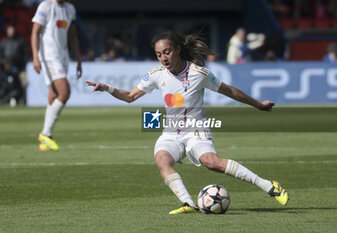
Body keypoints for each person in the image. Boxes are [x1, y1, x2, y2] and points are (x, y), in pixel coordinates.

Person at [87, 31, 289, 214]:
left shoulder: (198, 74)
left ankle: (269, 186)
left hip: (196, 131)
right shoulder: (156, 74)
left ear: (177, 49)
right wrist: (108, 88)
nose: (163, 58)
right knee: (162, 160)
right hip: (171, 133)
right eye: (159, 54)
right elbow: (130, 96)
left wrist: (258, 104)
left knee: (211, 162)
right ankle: (187, 203)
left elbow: (231, 91)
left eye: (166, 52)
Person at [31, 0, 82, 151]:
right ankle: (45, 134)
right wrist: (35, 56)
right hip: (49, 56)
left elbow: (72, 36)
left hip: (63, 56)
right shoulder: (45, 6)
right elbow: (35, 32)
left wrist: (78, 60)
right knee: (64, 92)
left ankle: (45, 140)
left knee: (53, 94)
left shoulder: (70, 9)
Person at [0, 24, 28, 104]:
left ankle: (22, 101)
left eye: (12, 30)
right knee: (6, 85)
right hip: (5, 70)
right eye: (9, 30)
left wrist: (21, 67)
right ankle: (4, 100)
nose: (11, 32)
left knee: (23, 84)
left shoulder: (20, 41)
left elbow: (25, 55)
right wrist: (4, 64)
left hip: (19, 69)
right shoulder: (4, 42)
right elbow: (1, 55)